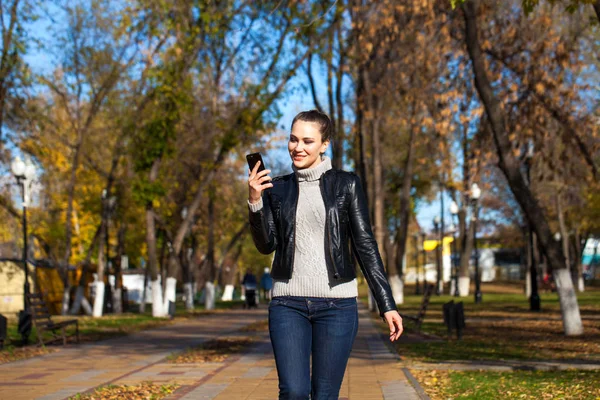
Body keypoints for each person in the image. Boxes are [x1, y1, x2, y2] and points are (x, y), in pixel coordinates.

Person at [247, 110, 403, 400]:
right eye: (293, 139)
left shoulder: (347, 184)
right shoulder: (277, 188)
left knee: (325, 394)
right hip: (287, 304)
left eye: (307, 140)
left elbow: (365, 245)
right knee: (293, 391)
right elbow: (266, 245)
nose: (298, 147)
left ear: (324, 144)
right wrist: (255, 201)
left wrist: (387, 304)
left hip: (337, 306)